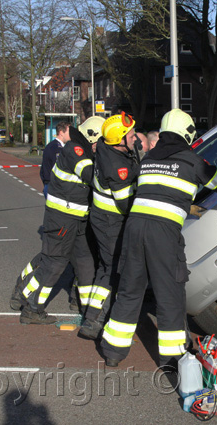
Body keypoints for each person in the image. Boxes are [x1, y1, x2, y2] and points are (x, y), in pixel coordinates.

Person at [100, 109, 217, 368]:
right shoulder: (192, 161)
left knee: (130, 290)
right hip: (163, 234)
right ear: (187, 133)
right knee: (170, 294)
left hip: (134, 228)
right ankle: (173, 357)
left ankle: (112, 351)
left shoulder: (149, 159)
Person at [9, 117, 103, 324]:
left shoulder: (86, 151)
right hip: (62, 219)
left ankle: (87, 309)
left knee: (86, 263)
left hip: (77, 219)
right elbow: (92, 176)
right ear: (92, 138)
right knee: (55, 263)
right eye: (100, 141)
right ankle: (31, 306)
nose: (101, 146)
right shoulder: (75, 151)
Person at [78, 113, 140, 339]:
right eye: (131, 135)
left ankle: (92, 317)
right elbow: (126, 204)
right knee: (111, 270)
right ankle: (94, 321)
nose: (135, 138)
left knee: (106, 268)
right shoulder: (117, 166)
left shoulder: (107, 148)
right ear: (120, 139)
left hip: (103, 219)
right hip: (110, 222)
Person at [40, 121, 71, 199]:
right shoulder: (56, 149)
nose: (71, 135)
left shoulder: (53, 146)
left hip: (51, 185)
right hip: (54, 186)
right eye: (69, 132)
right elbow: (59, 169)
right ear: (61, 133)